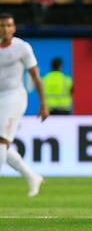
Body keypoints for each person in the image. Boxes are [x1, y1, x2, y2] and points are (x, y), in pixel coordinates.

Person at [0, 12, 49, 197]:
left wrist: (43, 103)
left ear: (13, 28)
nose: (5, 29)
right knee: (1, 145)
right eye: (2, 25)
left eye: (8, 25)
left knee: (2, 140)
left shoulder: (22, 47)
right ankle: (32, 176)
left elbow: (35, 77)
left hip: (13, 97)